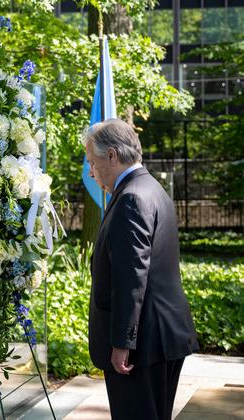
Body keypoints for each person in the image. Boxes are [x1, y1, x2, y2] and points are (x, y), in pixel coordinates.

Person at [84, 118, 198, 420]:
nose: (91, 172)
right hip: (159, 337)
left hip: (142, 345)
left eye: (92, 162)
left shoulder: (132, 198)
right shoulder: (152, 188)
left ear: (111, 155)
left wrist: (122, 343)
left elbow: (130, 278)